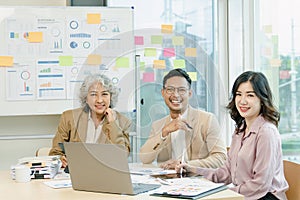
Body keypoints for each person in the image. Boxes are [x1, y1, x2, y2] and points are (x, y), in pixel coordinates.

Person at [176, 71, 289, 200]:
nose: (242, 101)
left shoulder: (267, 132)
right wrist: (193, 170)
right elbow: (226, 173)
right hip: (245, 195)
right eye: (238, 94)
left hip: (265, 197)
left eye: (250, 95)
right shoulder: (240, 131)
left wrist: (228, 193)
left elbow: (260, 184)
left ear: (262, 100)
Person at [139, 68, 227, 169]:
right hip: (166, 181)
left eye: (181, 90)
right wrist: (164, 132)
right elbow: (144, 158)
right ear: (163, 93)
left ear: (189, 93)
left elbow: (221, 158)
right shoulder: (158, 125)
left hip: (198, 180)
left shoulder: (207, 120)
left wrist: (186, 165)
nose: (175, 95)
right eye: (170, 90)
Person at [49, 73, 131, 168]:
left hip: (105, 173)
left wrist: (113, 124)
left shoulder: (123, 122)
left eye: (104, 94)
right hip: (75, 173)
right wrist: (60, 159)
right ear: (86, 98)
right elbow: (55, 153)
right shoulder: (69, 118)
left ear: (111, 97)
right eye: (93, 94)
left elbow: (122, 156)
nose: (99, 100)